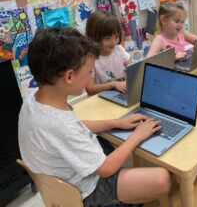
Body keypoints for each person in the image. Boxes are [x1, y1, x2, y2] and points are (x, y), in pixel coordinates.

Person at [19, 27, 171, 206]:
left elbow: (74, 126)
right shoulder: (60, 125)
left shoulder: (35, 100)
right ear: (69, 76)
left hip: (66, 177)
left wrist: (117, 123)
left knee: (116, 140)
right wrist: (138, 135)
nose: (91, 75)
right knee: (163, 179)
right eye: (90, 71)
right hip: (83, 190)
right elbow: (106, 169)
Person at [85, 11, 132, 96]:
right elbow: (90, 89)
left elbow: (132, 69)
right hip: (101, 100)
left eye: (116, 36)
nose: (113, 42)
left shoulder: (118, 49)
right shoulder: (90, 59)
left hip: (120, 95)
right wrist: (113, 85)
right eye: (107, 38)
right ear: (94, 37)